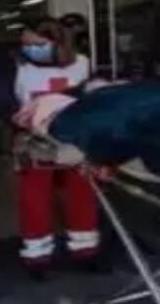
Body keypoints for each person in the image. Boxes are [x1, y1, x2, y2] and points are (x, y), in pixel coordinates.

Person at [12, 16, 104, 280]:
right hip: (34, 138)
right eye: (26, 44)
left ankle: (85, 251)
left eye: (37, 44)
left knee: (81, 194)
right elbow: (7, 98)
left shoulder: (82, 63)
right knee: (34, 199)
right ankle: (37, 257)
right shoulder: (20, 66)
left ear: (57, 41)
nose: (30, 49)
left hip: (75, 136)